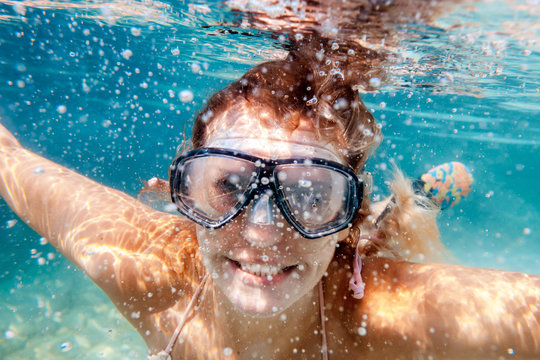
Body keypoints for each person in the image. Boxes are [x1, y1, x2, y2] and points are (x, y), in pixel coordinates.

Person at [1, 36, 540, 360]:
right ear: (188, 193)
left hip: (351, 248)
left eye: (309, 193)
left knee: (383, 242)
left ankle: (402, 210)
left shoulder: (396, 317)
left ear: (343, 209)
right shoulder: (143, 264)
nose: (262, 230)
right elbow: (11, 162)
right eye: (228, 185)